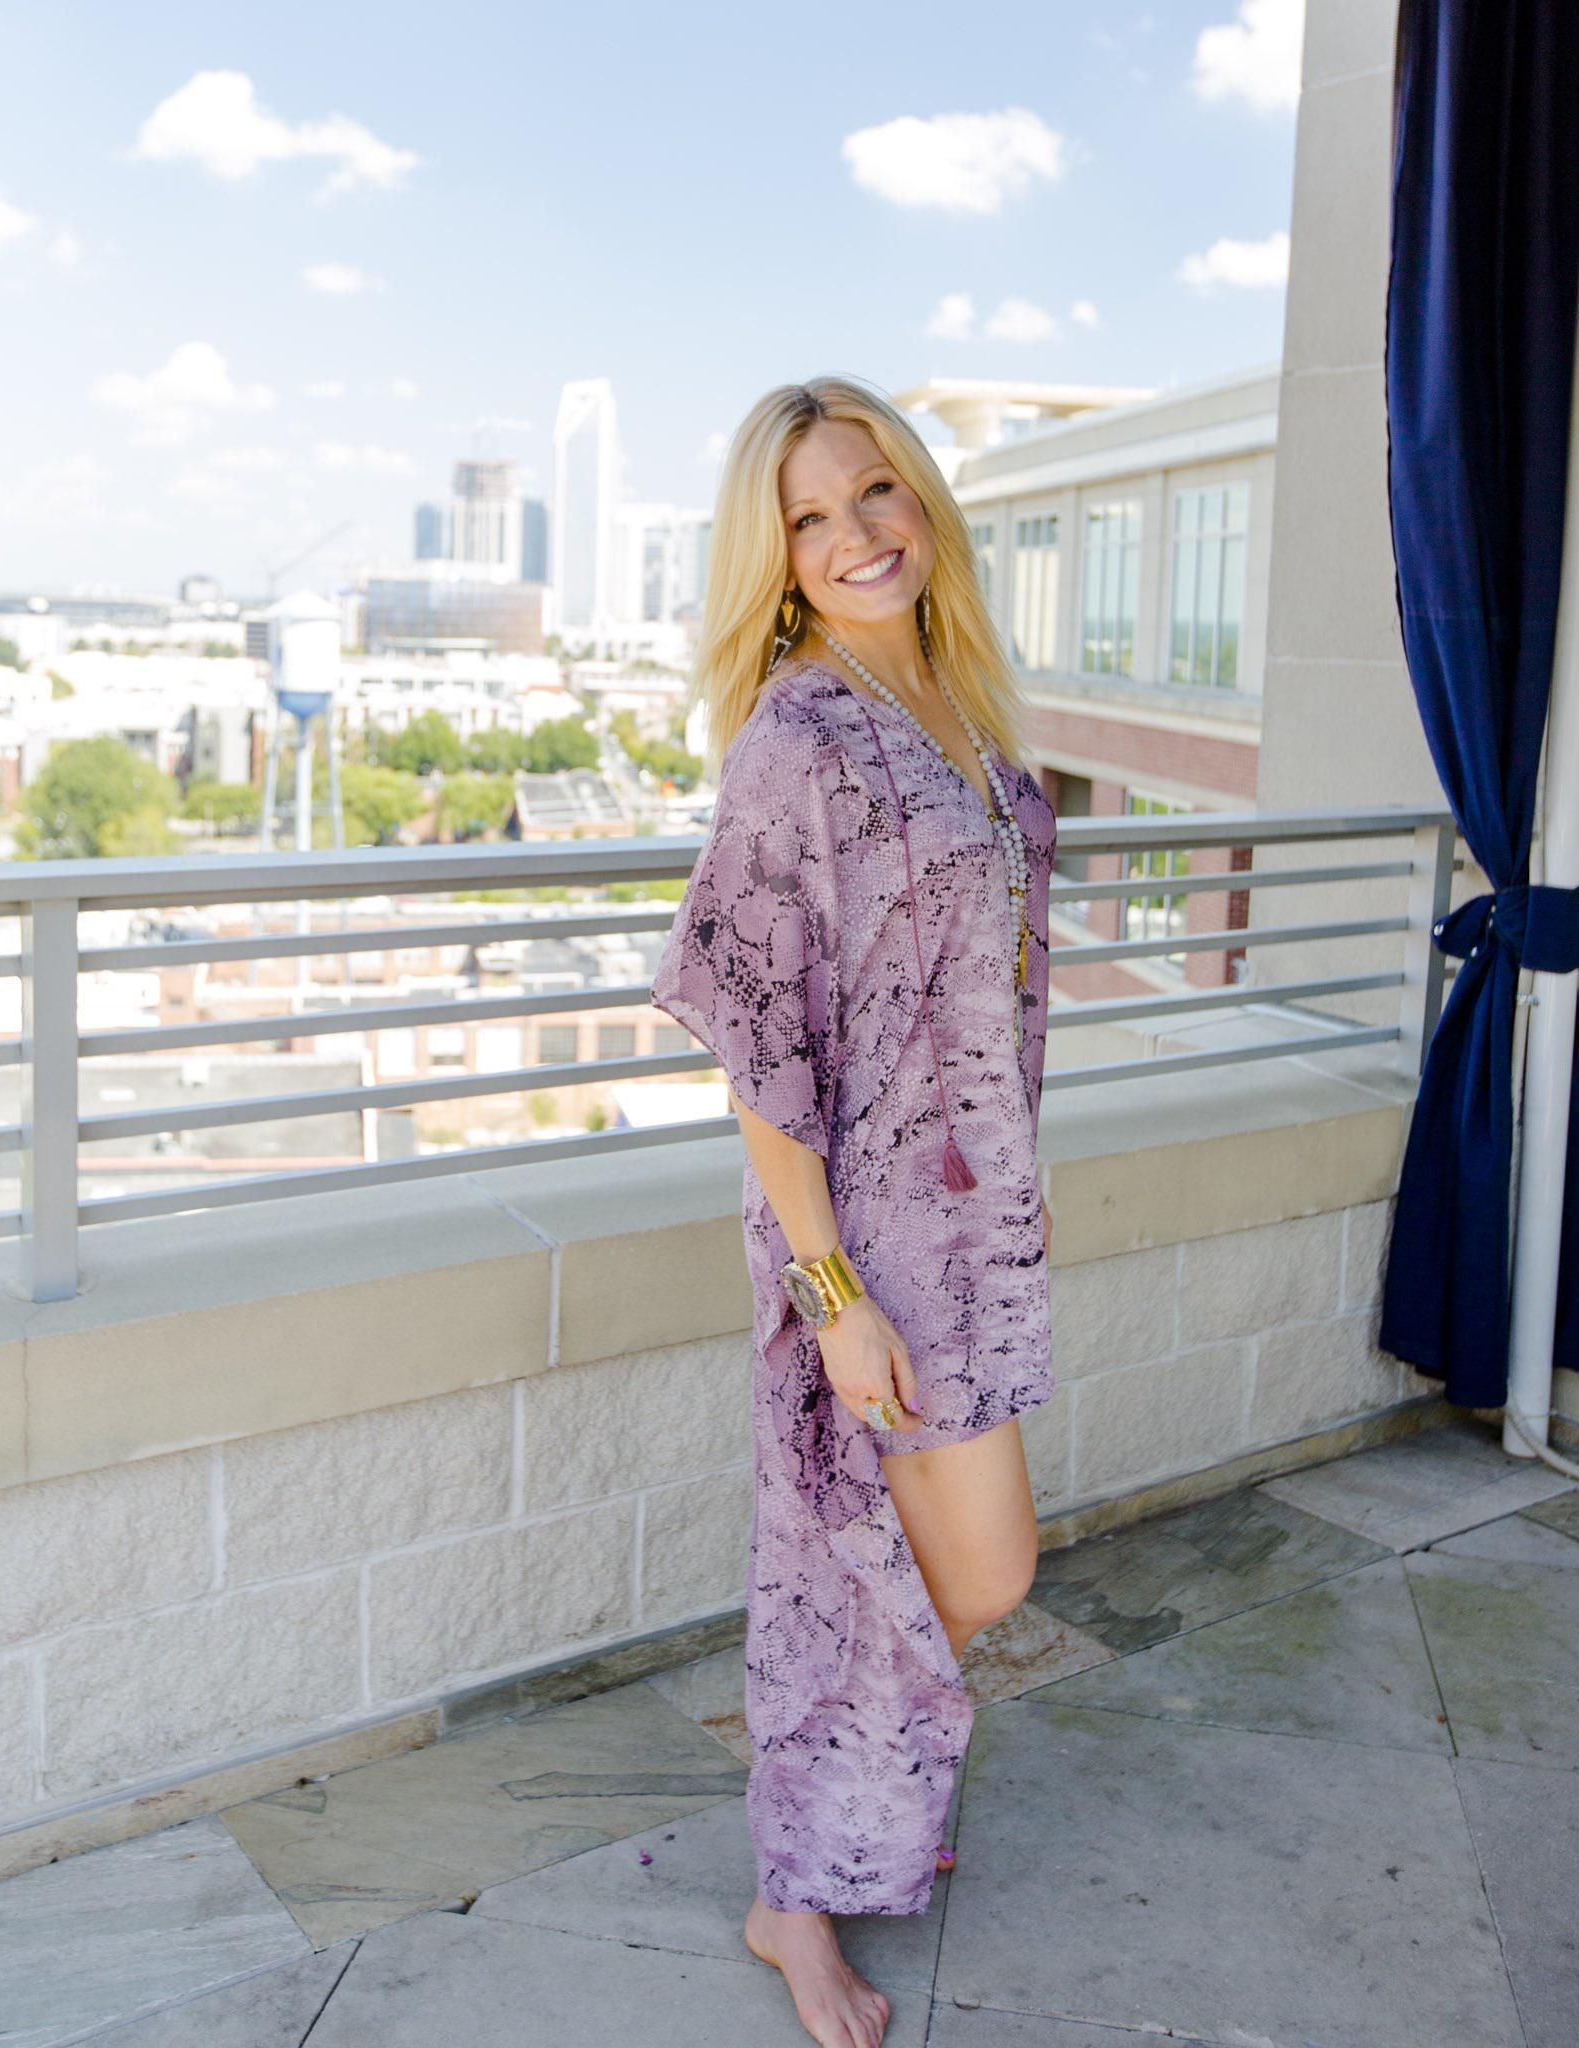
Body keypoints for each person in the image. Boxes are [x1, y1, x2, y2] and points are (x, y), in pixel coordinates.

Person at [650, 373, 1057, 2048]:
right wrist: (832, 1294)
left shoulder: (957, 702)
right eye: (808, 519)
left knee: (920, 1579)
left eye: (873, 490)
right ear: (776, 561)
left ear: (921, 496)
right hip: (866, 1239)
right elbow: (759, 1047)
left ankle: (851, 1803)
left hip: (978, 1222)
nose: (855, 535)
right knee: (958, 1571)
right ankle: (794, 1892)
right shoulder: (796, 742)